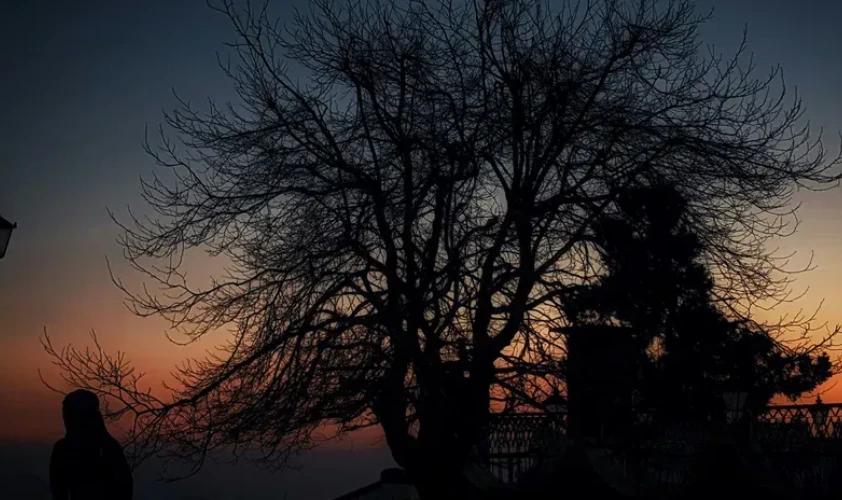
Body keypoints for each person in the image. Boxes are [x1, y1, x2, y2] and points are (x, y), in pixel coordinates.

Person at [49, 389, 133, 499]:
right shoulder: (62, 450)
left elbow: (124, 489)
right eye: (65, 416)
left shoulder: (107, 449)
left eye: (69, 415)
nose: (66, 421)